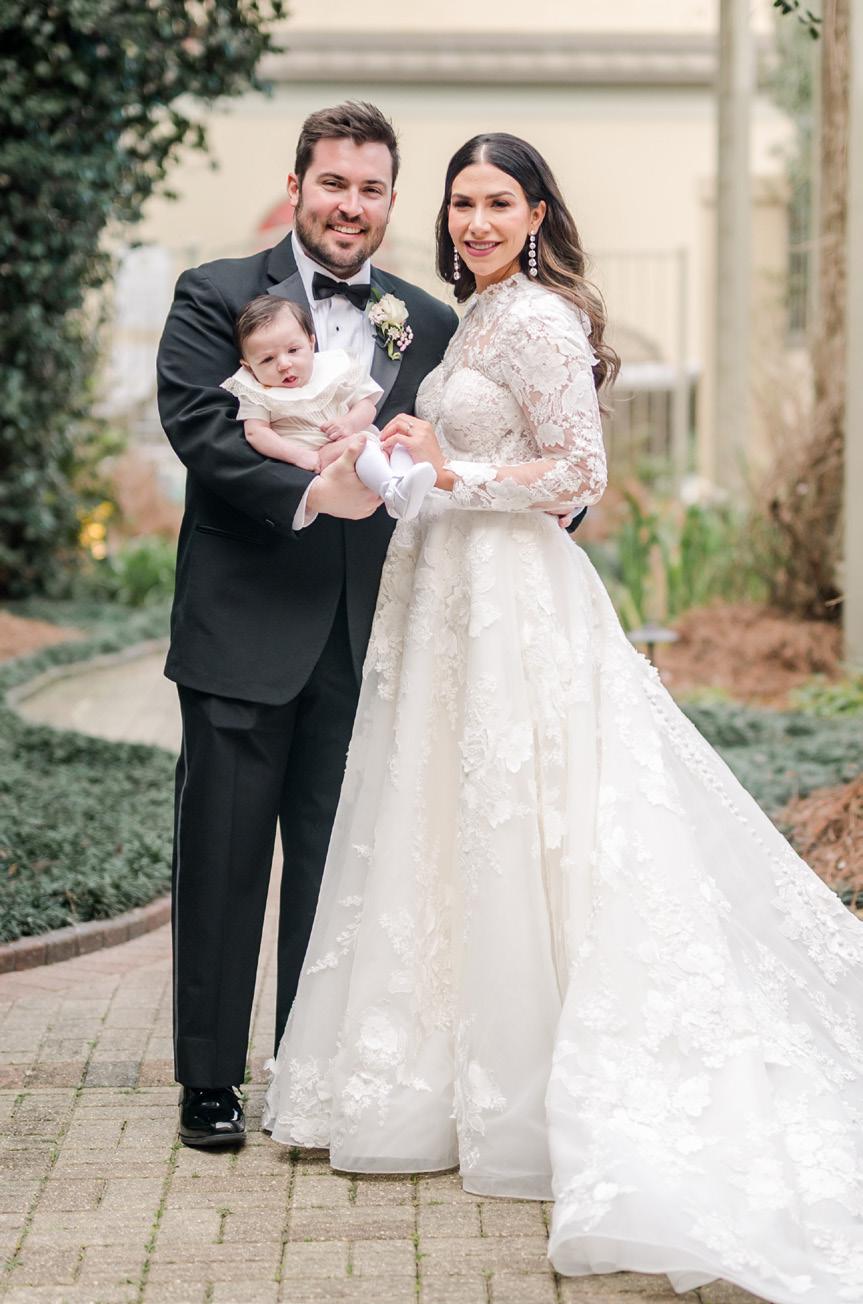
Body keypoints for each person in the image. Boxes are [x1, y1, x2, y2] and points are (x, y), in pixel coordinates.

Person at [263, 133, 863, 1304]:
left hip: (512, 601)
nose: (475, 221)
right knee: (446, 827)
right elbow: (469, 448)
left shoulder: (535, 318)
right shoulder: (474, 316)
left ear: (536, 212)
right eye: (461, 202)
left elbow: (576, 474)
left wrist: (453, 475)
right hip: (448, 592)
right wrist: (402, 455)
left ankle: (530, 1086)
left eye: (498, 201)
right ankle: (449, 1074)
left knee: (528, 821)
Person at [156, 101, 459, 1148]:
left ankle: (307, 1070)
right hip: (240, 625)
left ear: (389, 201)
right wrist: (308, 495)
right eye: (333, 183)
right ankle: (208, 1081)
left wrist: (549, 498)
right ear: (297, 187)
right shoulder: (214, 293)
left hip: (362, 634)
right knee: (222, 856)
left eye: (370, 188)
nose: (350, 205)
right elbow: (200, 425)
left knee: (336, 870)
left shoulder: (425, 321)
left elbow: (457, 441)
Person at [222, 295, 437, 521]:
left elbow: (366, 405)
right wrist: (298, 456)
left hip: (350, 440)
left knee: (397, 442)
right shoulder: (257, 390)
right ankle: (393, 491)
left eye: (293, 350)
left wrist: (349, 423)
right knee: (363, 445)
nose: (284, 364)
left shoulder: (332, 368)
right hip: (316, 455)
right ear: (248, 366)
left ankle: (403, 481)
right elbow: (256, 433)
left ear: (311, 343)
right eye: (267, 360)